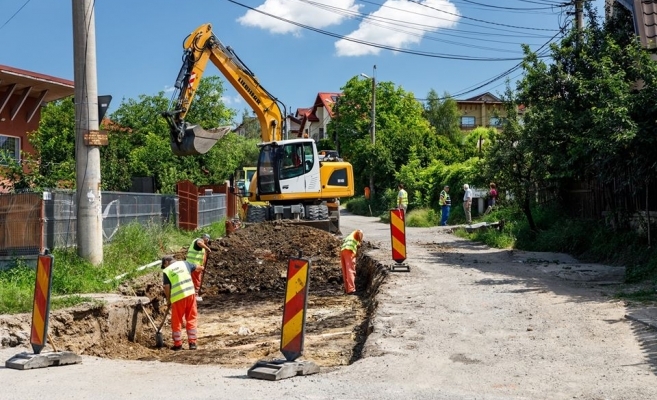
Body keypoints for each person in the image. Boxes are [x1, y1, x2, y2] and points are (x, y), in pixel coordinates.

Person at [161, 255, 203, 351]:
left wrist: (168, 300)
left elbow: (166, 287)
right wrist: (202, 267)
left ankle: (178, 344)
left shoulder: (167, 271)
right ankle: (192, 343)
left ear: (166, 262)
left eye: (164, 265)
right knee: (191, 317)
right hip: (190, 294)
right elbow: (198, 267)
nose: (165, 267)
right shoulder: (185, 263)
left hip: (177, 297)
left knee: (177, 320)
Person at [186, 234, 211, 302]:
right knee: (197, 280)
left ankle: (190, 295)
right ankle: (195, 295)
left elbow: (202, 257)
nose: (206, 243)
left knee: (191, 280)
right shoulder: (199, 240)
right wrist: (207, 248)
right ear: (206, 239)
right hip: (194, 265)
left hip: (190, 264)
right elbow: (199, 243)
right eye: (207, 241)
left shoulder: (200, 245)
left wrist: (202, 265)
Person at [340, 229, 363, 295]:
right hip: (349, 252)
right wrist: (360, 242)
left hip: (343, 251)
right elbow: (359, 233)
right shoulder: (358, 232)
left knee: (345, 270)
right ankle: (351, 289)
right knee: (350, 270)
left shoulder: (350, 236)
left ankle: (347, 289)